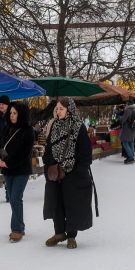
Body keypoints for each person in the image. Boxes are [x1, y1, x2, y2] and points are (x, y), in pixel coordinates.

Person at [42, 97, 96, 249]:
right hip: (54, 172)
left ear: (69, 110)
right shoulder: (54, 125)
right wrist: (47, 165)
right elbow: (48, 147)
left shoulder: (78, 127)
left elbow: (85, 153)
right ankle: (59, 232)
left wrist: (79, 170)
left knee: (72, 204)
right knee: (56, 203)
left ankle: (71, 235)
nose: (58, 111)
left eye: (61, 109)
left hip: (72, 173)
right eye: (57, 109)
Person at [0, 102, 34, 243]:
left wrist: (8, 162)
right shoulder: (6, 129)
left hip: (21, 169)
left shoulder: (28, 130)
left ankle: (16, 229)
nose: (12, 115)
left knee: (15, 197)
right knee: (11, 196)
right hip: (8, 170)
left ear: (21, 114)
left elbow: (23, 152)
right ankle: (20, 226)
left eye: (15, 113)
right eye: (10, 113)